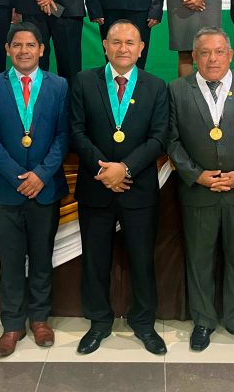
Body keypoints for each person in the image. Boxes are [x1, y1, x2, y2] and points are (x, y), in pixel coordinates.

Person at [168, 27, 234, 352]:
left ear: (230, 55)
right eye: (204, 53)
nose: (212, 59)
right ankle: (203, 320)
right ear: (194, 57)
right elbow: (171, 139)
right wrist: (196, 175)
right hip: (199, 191)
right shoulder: (177, 89)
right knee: (199, 259)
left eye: (218, 52)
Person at [70, 20, 169, 355]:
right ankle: (99, 322)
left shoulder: (156, 86)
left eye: (130, 43)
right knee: (95, 260)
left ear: (141, 49)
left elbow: (159, 137)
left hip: (138, 188)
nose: (123, 48)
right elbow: (76, 132)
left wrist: (124, 169)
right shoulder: (84, 81)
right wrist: (105, 170)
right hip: (95, 186)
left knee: (142, 260)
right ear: (105, 46)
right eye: (116, 42)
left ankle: (144, 323)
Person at [0, 22, 70, 357]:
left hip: (45, 188)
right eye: (17, 45)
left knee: (42, 258)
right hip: (5, 190)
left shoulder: (59, 85)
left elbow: (63, 135)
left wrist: (41, 175)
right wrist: (19, 177)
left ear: (42, 50)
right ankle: (12, 325)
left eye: (31, 45)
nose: (24, 51)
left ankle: (40, 319)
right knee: (11, 261)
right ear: (7, 49)